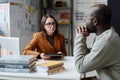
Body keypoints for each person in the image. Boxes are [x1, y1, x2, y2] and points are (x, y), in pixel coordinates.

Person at [73, 4, 120, 80]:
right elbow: (90, 57)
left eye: (86, 18)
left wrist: (79, 37)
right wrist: (83, 38)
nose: (84, 21)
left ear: (95, 21)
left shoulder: (106, 41)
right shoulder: (105, 36)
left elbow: (80, 67)